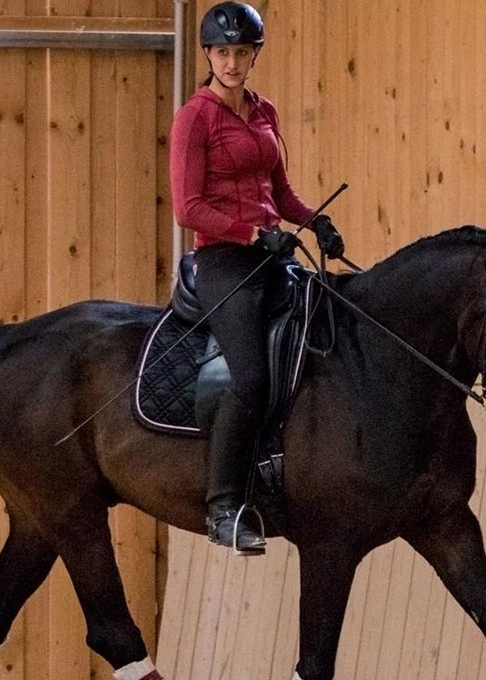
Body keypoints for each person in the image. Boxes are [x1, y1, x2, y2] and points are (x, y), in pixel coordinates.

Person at [169, 0, 343, 554]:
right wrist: (249, 234)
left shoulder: (264, 111)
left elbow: (282, 194)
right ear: (210, 56)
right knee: (250, 376)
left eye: (241, 53)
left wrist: (317, 222)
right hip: (224, 261)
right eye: (222, 53)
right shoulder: (194, 117)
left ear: (252, 56)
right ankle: (224, 507)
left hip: (273, 254)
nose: (231, 63)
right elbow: (187, 208)